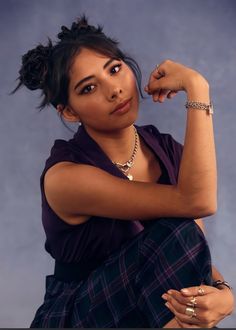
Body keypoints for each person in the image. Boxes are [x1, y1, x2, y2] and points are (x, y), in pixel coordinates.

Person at [13, 16, 234, 328]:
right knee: (179, 226)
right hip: (80, 315)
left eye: (115, 69)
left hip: (148, 310)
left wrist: (225, 294)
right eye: (89, 88)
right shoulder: (66, 177)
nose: (114, 90)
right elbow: (199, 201)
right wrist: (197, 87)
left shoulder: (166, 150)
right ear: (70, 111)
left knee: (186, 276)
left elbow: (191, 251)